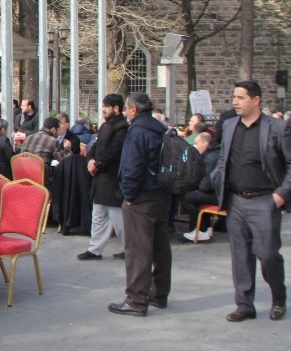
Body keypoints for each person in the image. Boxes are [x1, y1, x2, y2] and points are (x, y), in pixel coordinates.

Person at [216, 80, 291, 322]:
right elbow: (224, 160)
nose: (235, 102)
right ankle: (244, 305)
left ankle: (278, 298)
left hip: (265, 201)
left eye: (241, 97)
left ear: (256, 100)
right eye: (234, 97)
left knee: (268, 255)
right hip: (236, 201)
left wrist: (280, 195)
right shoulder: (229, 125)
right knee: (240, 256)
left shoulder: (276, 127)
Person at [108, 92, 170, 317]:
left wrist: (129, 195)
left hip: (141, 197)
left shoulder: (137, 131)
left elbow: (132, 166)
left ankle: (136, 299)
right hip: (161, 194)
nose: (125, 111)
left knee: (138, 250)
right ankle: (159, 293)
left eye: (126, 108)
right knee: (160, 247)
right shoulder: (160, 128)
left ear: (133, 109)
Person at [80, 94, 129, 261]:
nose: (103, 109)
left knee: (118, 218)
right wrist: (90, 160)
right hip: (100, 178)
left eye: (106, 106)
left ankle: (129, 249)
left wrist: (97, 164)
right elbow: (95, 146)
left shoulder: (122, 128)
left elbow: (114, 152)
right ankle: (95, 249)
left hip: (112, 179)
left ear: (116, 108)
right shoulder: (105, 126)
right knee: (98, 216)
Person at [180, 132, 221, 242]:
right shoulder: (211, 154)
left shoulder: (211, 157)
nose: (195, 146)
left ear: (205, 144)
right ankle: (204, 228)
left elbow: (206, 183)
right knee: (194, 196)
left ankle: (200, 229)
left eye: (196, 143)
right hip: (215, 192)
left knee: (187, 197)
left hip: (217, 195)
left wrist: (196, 187)